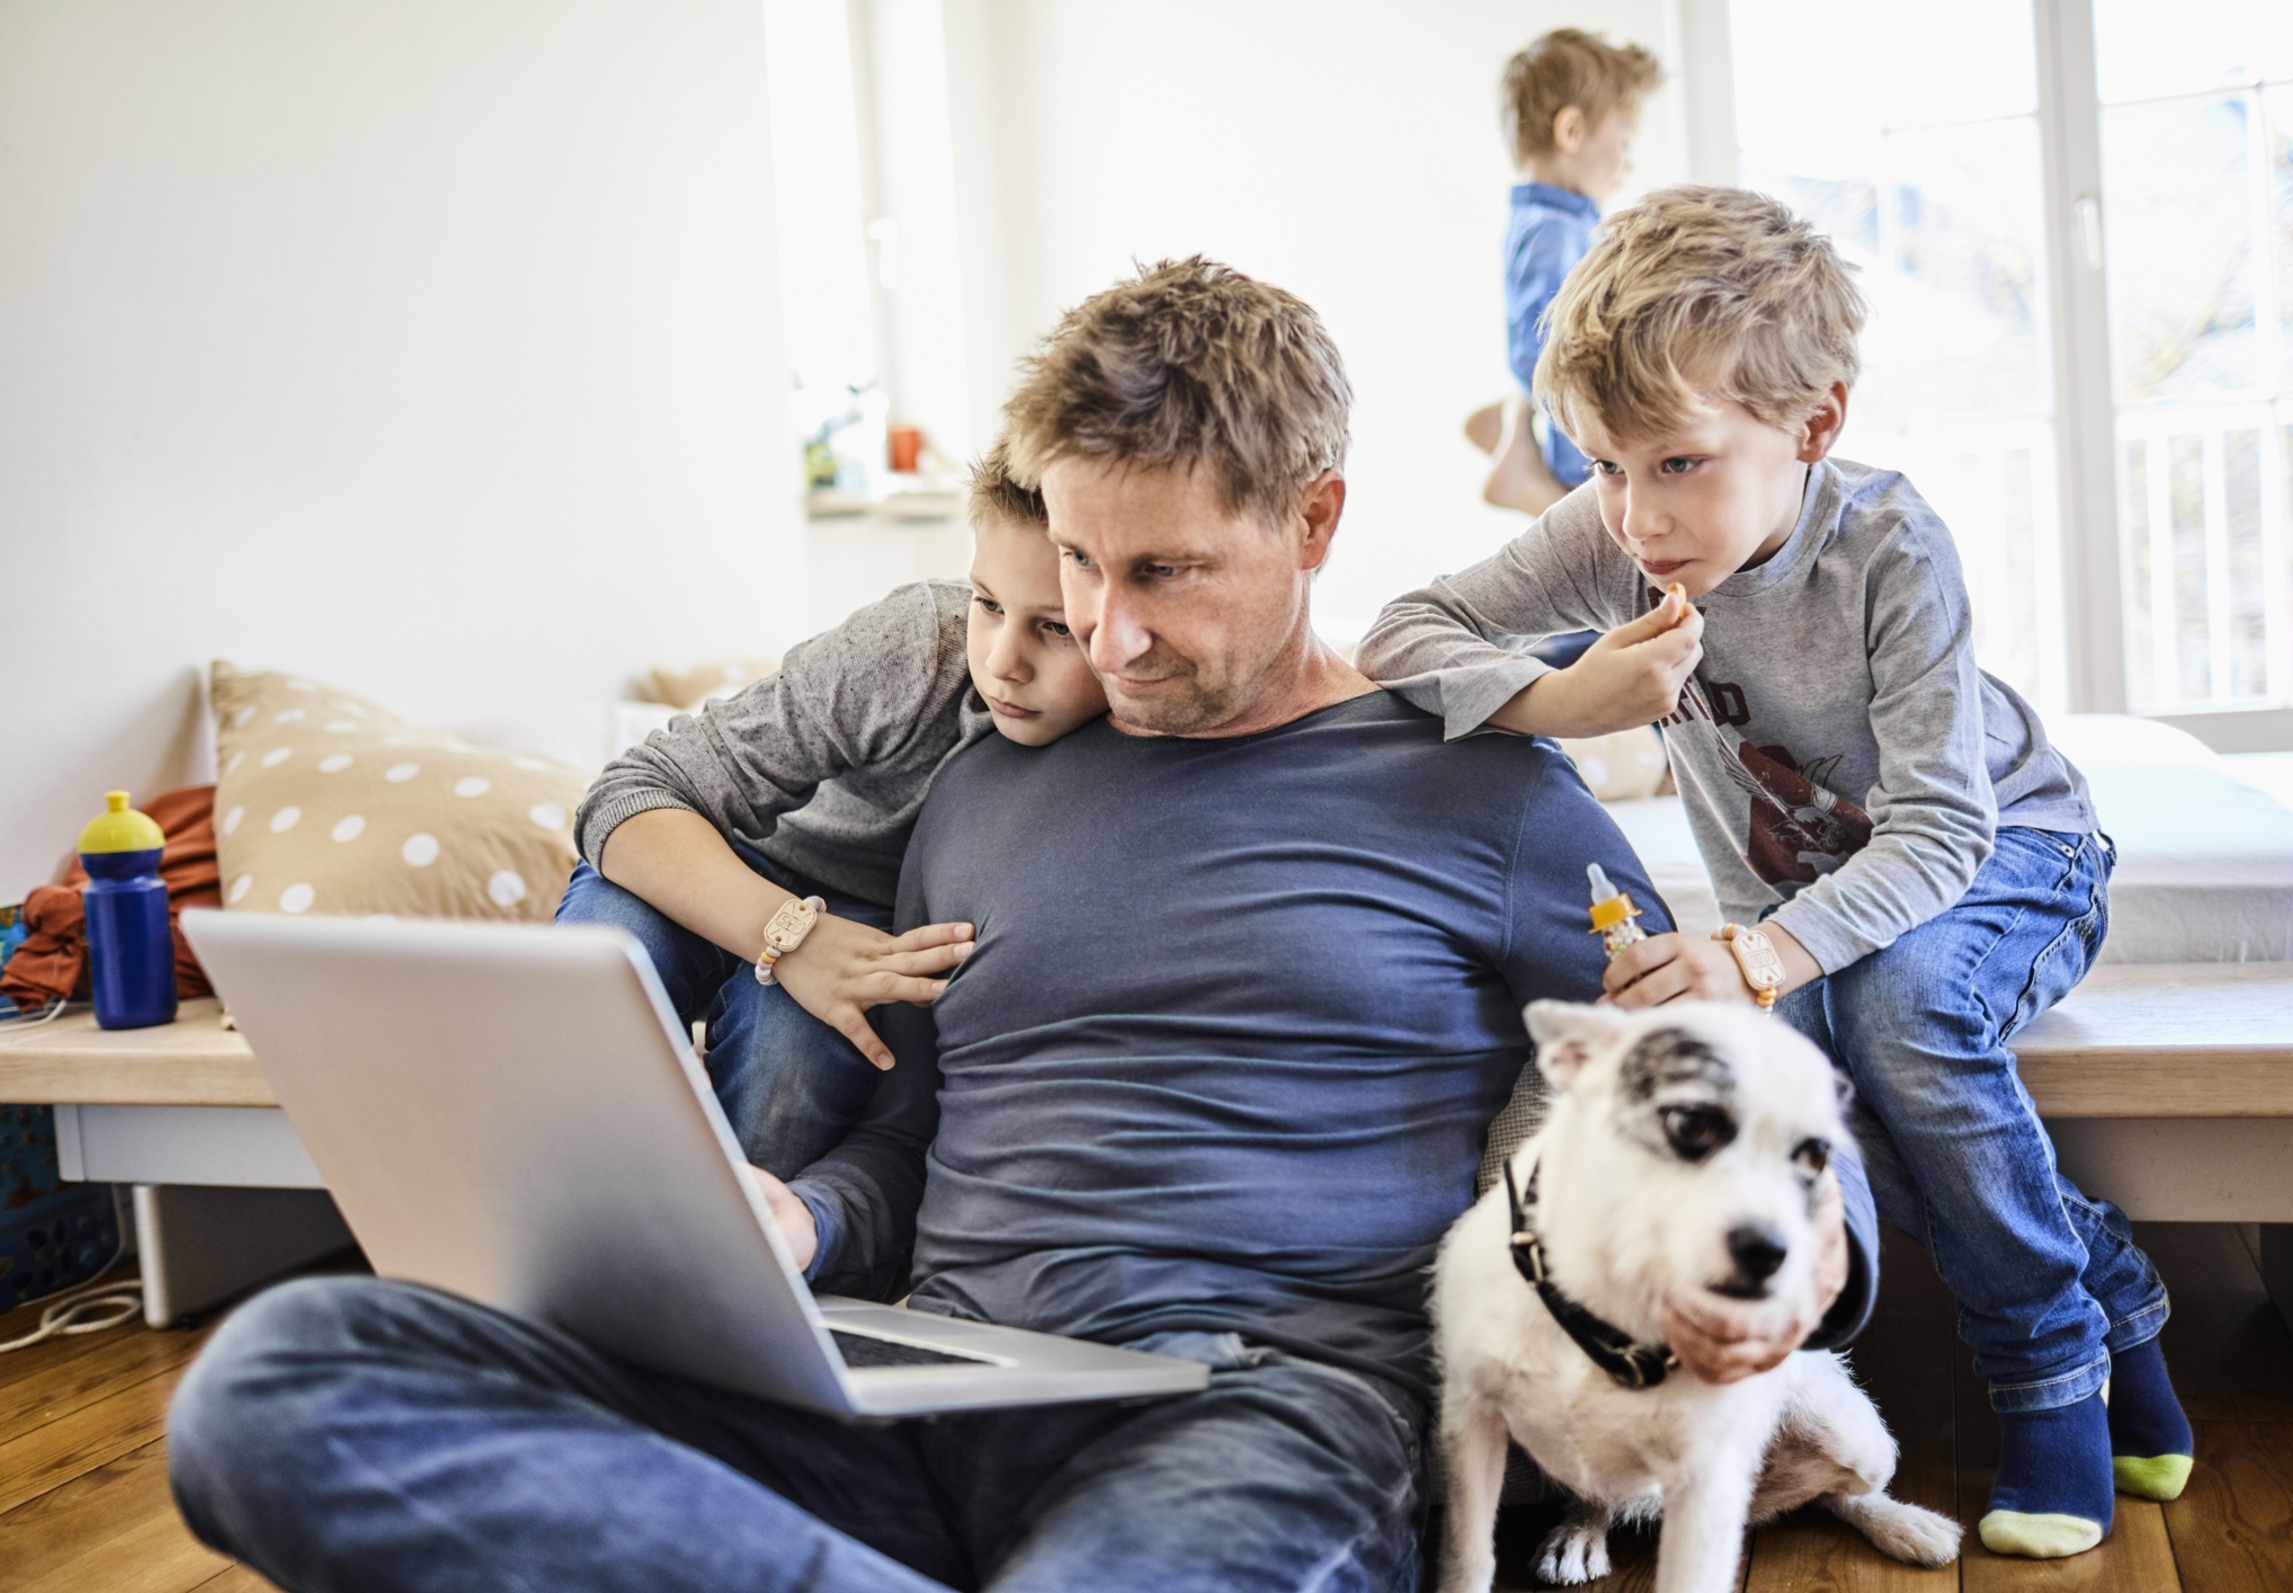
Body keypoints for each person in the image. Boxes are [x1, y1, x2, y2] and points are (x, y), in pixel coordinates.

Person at [169, 256, 1879, 1593]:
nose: (1106, 636)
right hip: (918, 1380)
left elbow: (1737, 1068)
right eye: (1075, 560)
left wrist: (1813, 1260)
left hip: (1258, 1405)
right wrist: (799, 1221)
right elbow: (914, 1128)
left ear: (1313, 519)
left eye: (1166, 574)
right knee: (292, 1369)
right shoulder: (978, 785)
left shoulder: (1482, 794)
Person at [1359, 186, 2190, 1562]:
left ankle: (2048, 1362)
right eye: (1601, 465)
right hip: (1794, 913)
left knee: (1904, 1018)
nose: (1631, 515)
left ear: (1812, 426)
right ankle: (2120, 1295)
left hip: (2007, 854)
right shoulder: (1614, 529)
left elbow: (1938, 834)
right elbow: (1400, 632)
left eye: (1675, 465)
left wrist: (1753, 958)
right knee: (1810, 1091)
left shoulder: (1887, 548)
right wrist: (1565, 703)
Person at [552, 444, 1108, 1178]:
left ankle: (724, 1259)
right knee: (601, 965)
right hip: (725, 852)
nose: (1003, 659)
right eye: (989, 603)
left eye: (1057, 627)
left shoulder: (1128, 741)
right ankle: (539, 1217)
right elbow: (629, 792)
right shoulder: (922, 644)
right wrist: (792, 933)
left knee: (793, 1064)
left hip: (868, 923)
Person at [1472, 27, 1661, 519]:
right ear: (1572, 132)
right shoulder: (1553, 231)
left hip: (1560, 406)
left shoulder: (1553, 222)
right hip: (1576, 422)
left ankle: (1516, 426)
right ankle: (1525, 471)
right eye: (1623, 142)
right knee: (1599, 527)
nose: (1626, 165)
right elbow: (1548, 341)